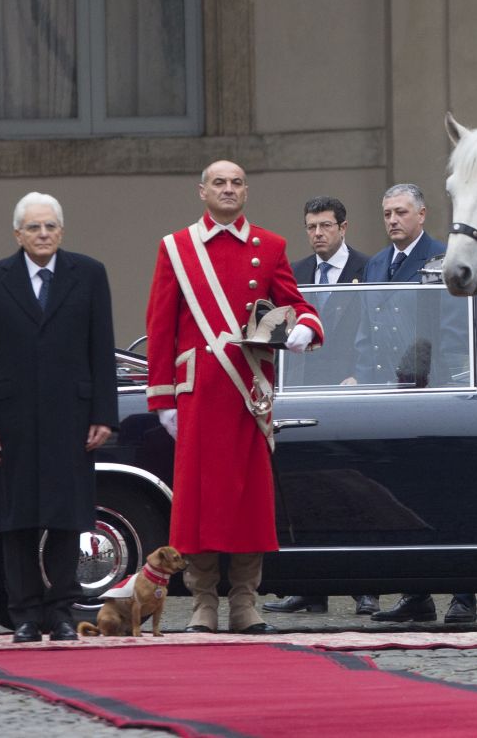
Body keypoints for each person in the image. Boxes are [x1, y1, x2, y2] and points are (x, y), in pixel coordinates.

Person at [146, 160, 324, 634]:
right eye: (219, 183)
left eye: (237, 183)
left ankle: (245, 602)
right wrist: (163, 398)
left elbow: (296, 303)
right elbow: (160, 326)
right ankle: (203, 603)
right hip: (200, 394)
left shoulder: (271, 246)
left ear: (246, 191)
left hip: (249, 395)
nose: (228, 189)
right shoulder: (176, 248)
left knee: (248, 506)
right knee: (198, 508)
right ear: (201, 190)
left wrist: (305, 327)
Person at [0, 192, 118, 643]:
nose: (43, 234)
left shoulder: (88, 275)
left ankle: (61, 612)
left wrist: (103, 415)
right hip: (12, 421)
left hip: (71, 418)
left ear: (62, 231)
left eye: (50, 226)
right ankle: (26, 614)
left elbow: (100, 347)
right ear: (18, 233)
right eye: (33, 227)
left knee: (66, 517)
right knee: (16, 520)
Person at [357, 183, 476, 624]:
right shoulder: (374, 265)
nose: (392, 220)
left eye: (401, 212)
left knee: (449, 497)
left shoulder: (443, 259)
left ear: (421, 215)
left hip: (433, 393)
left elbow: (454, 333)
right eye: (387, 213)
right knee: (400, 502)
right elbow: (366, 332)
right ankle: (416, 593)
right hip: (388, 395)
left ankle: (464, 595)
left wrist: (444, 387)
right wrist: (366, 382)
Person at [263, 195, 378, 617]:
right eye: (311, 226)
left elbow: (374, 329)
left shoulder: (366, 269)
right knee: (307, 489)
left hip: (349, 389)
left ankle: (365, 588)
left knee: (356, 492)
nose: (317, 234)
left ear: (343, 228)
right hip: (305, 390)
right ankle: (310, 588)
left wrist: (362, 377)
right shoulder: (295, 272)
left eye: (326, 226)